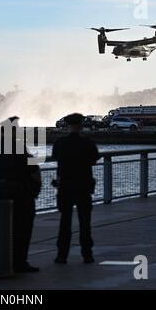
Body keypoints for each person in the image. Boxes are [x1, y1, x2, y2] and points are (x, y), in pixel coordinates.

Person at [0, 116, 41, 273]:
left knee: (1, 230)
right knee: (22, 229)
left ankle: (1, 260)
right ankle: (20, 262)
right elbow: (30, 166)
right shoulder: (19, 147)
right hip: (19, 193)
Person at [52, 113, 100, 264]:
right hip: (83, 186)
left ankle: (62, 255)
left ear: (67, 126)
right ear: (81, 125)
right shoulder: (88, 143)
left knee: (65, 222)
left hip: (65, 187)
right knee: (85, 222)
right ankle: (87, 254)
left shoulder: (60, 143)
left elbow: (56, 159)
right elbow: (94, 160)